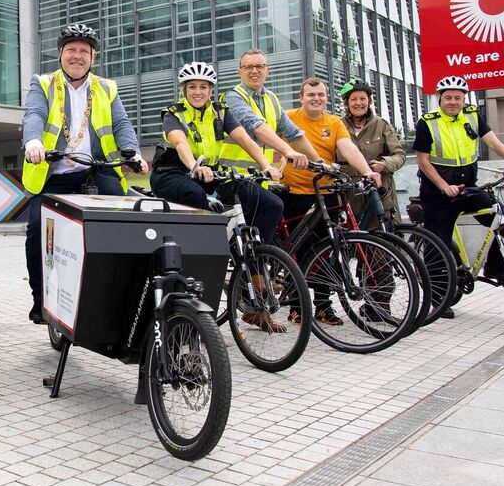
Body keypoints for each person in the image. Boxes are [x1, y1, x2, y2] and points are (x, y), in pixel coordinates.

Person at [22, 22, 148, 324]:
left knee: (124, 220)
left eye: (84, 51)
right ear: (60, 54)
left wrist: (134, 153)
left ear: (93, 57)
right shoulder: (43, 83)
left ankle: (122, 293)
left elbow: (121, 124)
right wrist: (34, 141)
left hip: (96, 170)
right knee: (37, 230)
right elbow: (35, 114)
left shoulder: (106, 88)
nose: (77, 56)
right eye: (71, 50)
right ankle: (41, 299)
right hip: (52, 174)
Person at [415, 75, 504, 317]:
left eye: (457, 97)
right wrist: (443, 186)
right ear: (440, 99)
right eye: (448, 98)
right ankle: (439, 300)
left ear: (463, 99)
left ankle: (496, 268)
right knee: (438, 244)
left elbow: (494, 143)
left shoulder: (472, 116)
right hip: (437, 192)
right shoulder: (428, 122)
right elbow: (423, 161)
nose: (453, 102)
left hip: (469, 187)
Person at [280, 78, 382, 325]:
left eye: (321, 95)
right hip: (294, 193)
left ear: (327, 98)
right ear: (301, 97)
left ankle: (323, 307)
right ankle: (297, 306)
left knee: (327, 251)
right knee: (298, 252)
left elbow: (349, 149)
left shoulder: (334, 122)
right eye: (311, 94)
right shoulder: (288, 117)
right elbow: (277, 150)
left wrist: (367, 171)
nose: (316, 98)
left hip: (326, 193)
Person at [150, 60, 284, 238]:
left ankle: (258, 257)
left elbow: (244, 139)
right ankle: (205, 248)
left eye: (203, 87)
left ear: (211, 90)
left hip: (209, 173)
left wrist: (266, 166)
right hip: (172, 174)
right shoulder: (174, 114)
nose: (198, 92)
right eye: (192, 87)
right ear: (184, 89)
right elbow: (180, 143)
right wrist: (195, 167)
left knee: (272, 204)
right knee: (195, 195)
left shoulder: (221, 112)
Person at [222, 50, 319, 206]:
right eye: (248, 67)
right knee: (273, 207)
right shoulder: (233, 97)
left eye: (260, 66)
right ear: (239, 72)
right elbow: (257, 127)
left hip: (264, 179)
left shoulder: (271, 98)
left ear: (268, 70)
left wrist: (320, 162)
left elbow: (294, 134)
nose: (254, 71)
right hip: (234, 178)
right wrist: (289, 151)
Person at [338, 79, 405, 230]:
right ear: (347, 103)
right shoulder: (337, 126)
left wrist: (384, 164)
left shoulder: (381, 125)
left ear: (369, 101)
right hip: (350, 197)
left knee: (384, 243)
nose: (358, 103)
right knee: (354, 245)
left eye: (363, 98)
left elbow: (399, 155)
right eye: (353, 99)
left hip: (380, 195)